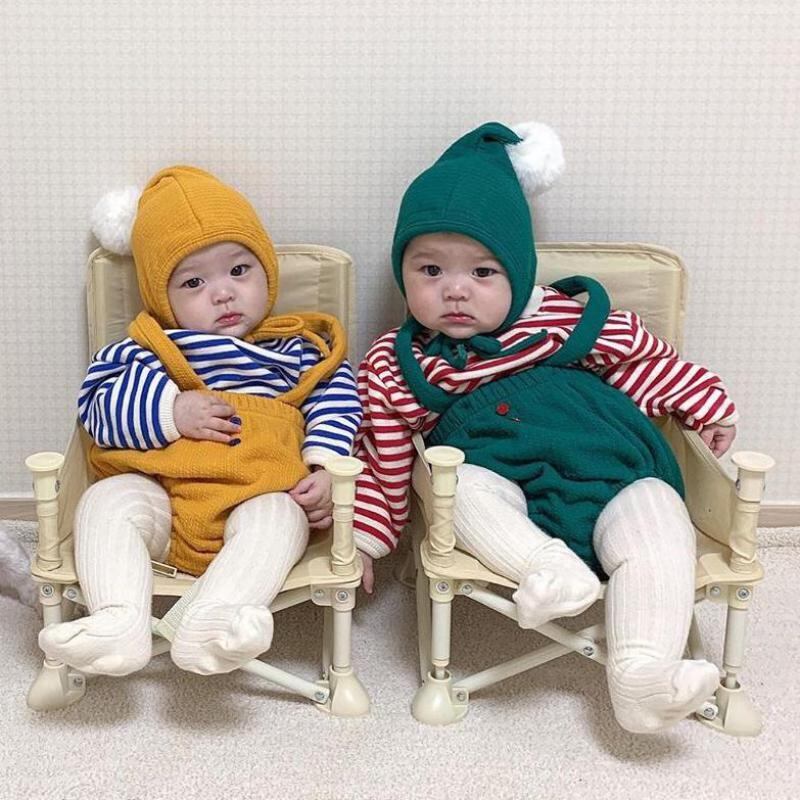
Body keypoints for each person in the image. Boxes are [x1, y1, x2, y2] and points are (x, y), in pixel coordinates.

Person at [352, 121, 737, 733]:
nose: (456, 291)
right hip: (501, 486)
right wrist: (366, 539)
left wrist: (706, 404)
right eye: (430, 271)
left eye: (483, 272)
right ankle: (547, 568)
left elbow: (644, 361)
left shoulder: (562, 319)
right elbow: (384, 452)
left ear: (519, 270)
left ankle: (642, 677)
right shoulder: (401, 363)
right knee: (458, 489)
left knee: (660, 518)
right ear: (404, 275)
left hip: (614, 470)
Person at [39, 166, 362, 677]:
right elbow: (97, 410)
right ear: (161, 296)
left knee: (282, 517)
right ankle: (118, 621)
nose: (223, 293)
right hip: (162, 500)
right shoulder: (148, 348)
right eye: (193, 282)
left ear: (266, 272)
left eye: (240, 270)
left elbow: (337, 400)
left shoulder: (299, 349)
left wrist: (323, 467)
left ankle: (214, 621)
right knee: (106, 501)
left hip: (256, 494)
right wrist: (171, 411)